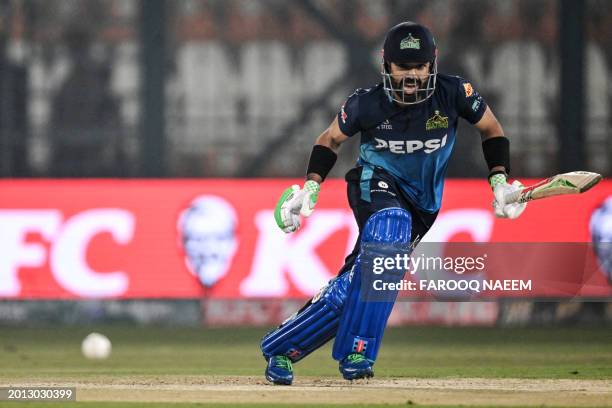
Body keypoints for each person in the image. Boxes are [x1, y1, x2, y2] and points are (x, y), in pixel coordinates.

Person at [260, 21, 526, 385]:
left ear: (432, 65)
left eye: (419, 66)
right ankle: (358, 352)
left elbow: (492, 129)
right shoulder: (365, 103)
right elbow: (329, 139)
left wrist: (499, 180)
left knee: (360, 280)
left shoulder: (454, 92)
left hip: (423, 206)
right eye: (403, 66)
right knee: (390, 227)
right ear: (388, 66)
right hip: (373, 184)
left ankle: (281, 348)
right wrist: (310, 187)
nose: (412, 75)